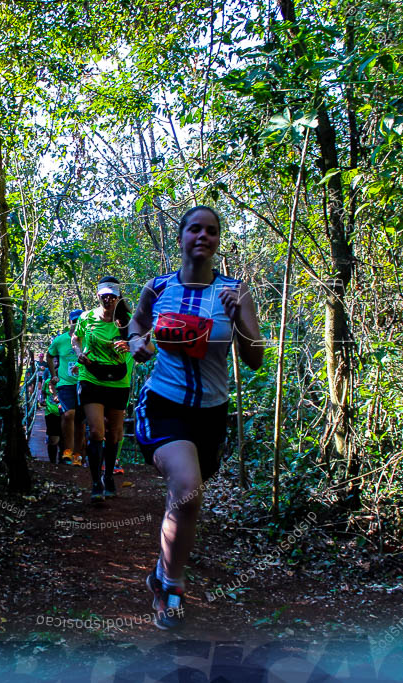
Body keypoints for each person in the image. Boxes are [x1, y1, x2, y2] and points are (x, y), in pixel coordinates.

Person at [128, 206, 264, 629]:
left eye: (212, 231)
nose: (203, 236)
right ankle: (169, 587)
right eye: (195, 229)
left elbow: (255, 358)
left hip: (212, 414)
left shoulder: (236, 291)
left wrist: (239, 318)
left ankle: (162, 569)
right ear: (182, 237)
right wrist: (136, 343)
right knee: (187, 490)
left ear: (218, 240)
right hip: (164, 405)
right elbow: (135, 324)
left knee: (187, 501)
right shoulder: (158, 287)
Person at [72, 277, 134, 502]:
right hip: (91, 377)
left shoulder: (128, 321)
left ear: (118, 297)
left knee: (114, 432)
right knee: (97, 431)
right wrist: (79, 353)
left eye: (112, 295)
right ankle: (96, 482)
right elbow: (75, 338)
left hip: (118, 381)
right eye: (104, 295)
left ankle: (109, 477)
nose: (108, 299)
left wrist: (131, 344)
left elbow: (146, 345)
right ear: (97, 296)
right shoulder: (86, 318)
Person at [47, 310, 85, 466]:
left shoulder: (87, 338)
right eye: (74, 320)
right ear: (70, 322)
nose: (77, 323)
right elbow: (49, 355)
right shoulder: (60, 340)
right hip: (65, 383)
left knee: (80, 420)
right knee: (69, 414)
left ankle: (77, 454)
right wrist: (53, 374)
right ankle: (67, 450)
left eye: (80, 320)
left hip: (83, 382)